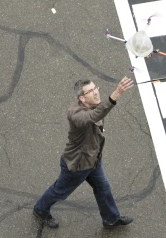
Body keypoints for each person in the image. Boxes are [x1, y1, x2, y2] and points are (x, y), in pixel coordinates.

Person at [33, 77, 136, 230]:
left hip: (93, 161)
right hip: (77, 165)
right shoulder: (76, 114)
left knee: (103, 188)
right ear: (82, 98)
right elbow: (93, 117)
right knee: (60, 191)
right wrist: (115, 94)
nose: (96, 93)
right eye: (91, 91)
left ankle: (111, 219)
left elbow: (101, 112)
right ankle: (40, 210)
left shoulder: (94, 105)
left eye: (96, 88)